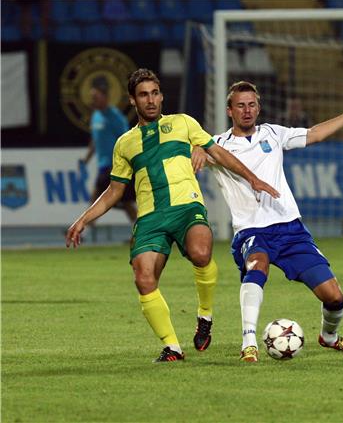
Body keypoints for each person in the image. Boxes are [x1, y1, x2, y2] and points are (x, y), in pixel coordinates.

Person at [66, 69, 279, 363]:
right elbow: (115, 190)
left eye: (155, 93)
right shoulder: (125, 144)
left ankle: (205, 315)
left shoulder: (183, 123)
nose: (151, 100)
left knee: (201, 253)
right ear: (132, 100)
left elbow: (217, 151)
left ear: (162, 96)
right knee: (143, 278)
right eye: (143, 95)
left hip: (187, 208)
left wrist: (252, 178)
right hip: (151, 218)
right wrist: (83, 219)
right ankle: (172, 347)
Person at [194, 81, 343, 362]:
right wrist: (195, 148)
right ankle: (249, 342)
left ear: (259, 107)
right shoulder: (217, 145)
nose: (247, 110)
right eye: (241, 105)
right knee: (258, 265)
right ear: (229, 110)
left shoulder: (273, 133)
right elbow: (185, 157)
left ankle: (329, 338)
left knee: (335, 298)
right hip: (252, 231)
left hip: (291, 229)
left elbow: (315, 134)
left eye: (252, 104)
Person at [81, 76, 137, 224]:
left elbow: (127, 139)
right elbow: (95, 140)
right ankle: (140, 232)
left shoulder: (116, 117)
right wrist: (87, 158)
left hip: (114, 166)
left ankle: (83, 230)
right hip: (103, 165)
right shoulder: (96, 116)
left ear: (105, 97)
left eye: (95, 97)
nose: (93, 100)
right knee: (124, 202)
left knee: (98, 198)